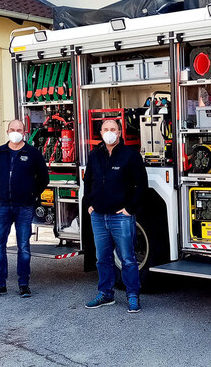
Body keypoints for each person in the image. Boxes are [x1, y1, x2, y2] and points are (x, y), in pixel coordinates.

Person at [82, 119, 148, 313]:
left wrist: (130, 208)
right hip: (98, 216)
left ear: (119, 132)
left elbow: (141, 185)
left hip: (121, 217)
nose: (109, 132)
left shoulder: (130, 156)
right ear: (100, 133)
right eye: (106, 129)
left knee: (127, 258)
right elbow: (88, 182)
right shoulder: (94, 155)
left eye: (113, 129)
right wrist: (89, 204)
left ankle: (133, 296)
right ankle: (105, 294)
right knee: (102, 258)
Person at [0, 120, 49, 299]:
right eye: (12, 129)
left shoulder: (33, 153)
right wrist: (4, 193)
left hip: (24, 207)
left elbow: (44, 178)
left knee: (24, 247)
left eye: (19, 130)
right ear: (7, 131)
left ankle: (24, 284)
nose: (15, 132)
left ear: (25, 132)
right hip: (3, 206)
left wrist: (31, 195)